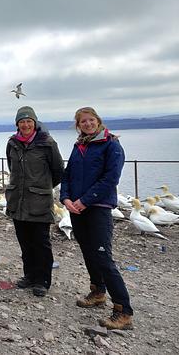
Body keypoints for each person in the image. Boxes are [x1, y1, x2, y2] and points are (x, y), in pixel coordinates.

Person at [60, 106, 133, 330]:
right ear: (78, 125)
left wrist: (85, 200)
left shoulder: (111, 144)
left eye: (91, 120)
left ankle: (123, 310)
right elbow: (68, 174)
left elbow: (111, 178)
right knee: (88, 252)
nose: (88, 124)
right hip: (77, 209)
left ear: (98, 121)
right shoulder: (79, 146)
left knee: (103, 257)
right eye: (83, 121)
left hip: (97, 207)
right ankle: (98, 291)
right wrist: (66, 198)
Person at [5, 106, 64, 297]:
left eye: (29, 121)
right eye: (22, 121)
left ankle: (43, 280)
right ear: (17, 124)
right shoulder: (12, 143)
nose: (25, 124)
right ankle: (29, 275)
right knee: (25, 242)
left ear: (35, 122)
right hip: (18, 200)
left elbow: (58, 171)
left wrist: (42, 188)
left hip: (39, 202)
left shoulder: (47, 143)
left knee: (41, 242)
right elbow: (12, 166)